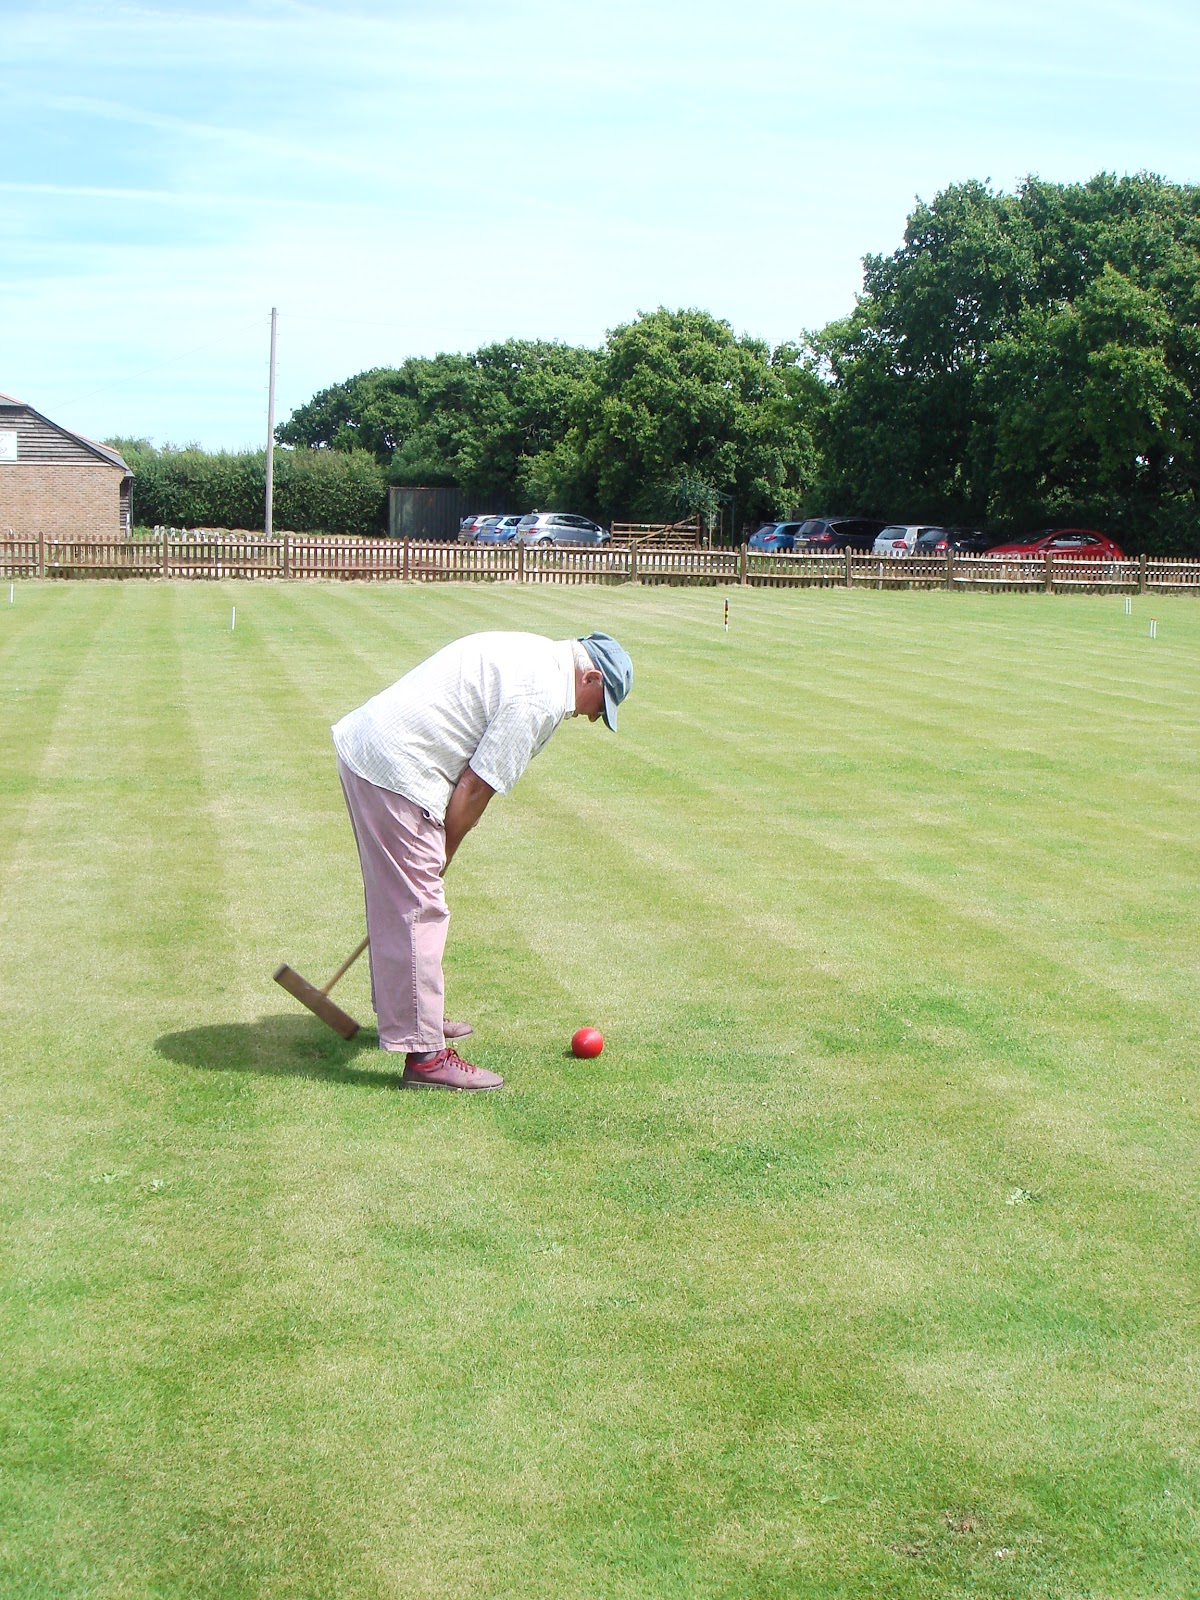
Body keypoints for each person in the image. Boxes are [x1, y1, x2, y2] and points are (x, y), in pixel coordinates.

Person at [331, 630, 633, 1091]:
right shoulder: (542, 696)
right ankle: (426, 1056)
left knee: (402, 903)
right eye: (601, 704)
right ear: (590, 675)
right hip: (399, 768)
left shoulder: (539, 654)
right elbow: (475, 787)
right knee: (419, 907)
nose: (593, 718)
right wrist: (440, 854)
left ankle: (413, 1019)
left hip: (373, 749)